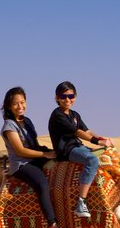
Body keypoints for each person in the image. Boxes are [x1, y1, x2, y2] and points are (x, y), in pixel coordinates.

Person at [1, 87, 67, 228]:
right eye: (16, 103)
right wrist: (45, 155)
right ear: (9, 106)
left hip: (35, 157)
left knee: (64, 159)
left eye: (22, 102)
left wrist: (50, 151)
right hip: (21, 164)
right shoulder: (9, 126)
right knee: (42, 184)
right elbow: (21, 150)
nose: (20, 106)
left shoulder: (27, 121)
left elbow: (34, 145)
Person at [48, 81, 114, 218]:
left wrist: (103, 139)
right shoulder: (57, 115)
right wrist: (98, 142)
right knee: (92, 160)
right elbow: (78, 132)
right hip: (67, 150)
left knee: (107, 154)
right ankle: (81, 202)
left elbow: (86, 130)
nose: (67, 99)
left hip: (78, 146)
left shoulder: (75, 115)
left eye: (71, 96)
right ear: (57, 98)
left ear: (75, 97)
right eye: (63, 96)